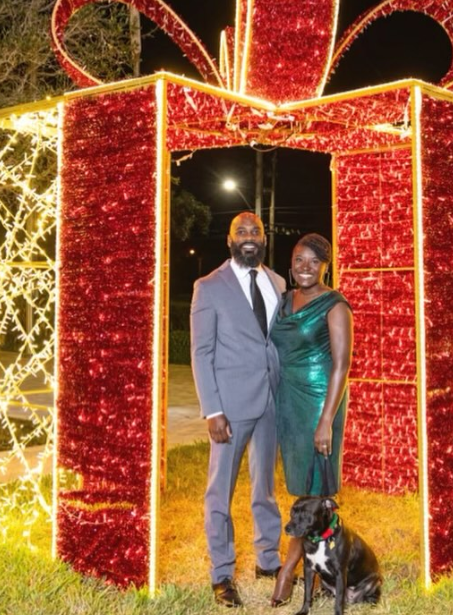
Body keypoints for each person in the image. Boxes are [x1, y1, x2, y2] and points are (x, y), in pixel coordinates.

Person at [190, 211, 286, 608]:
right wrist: (212, 410)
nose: (249, 237)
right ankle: (222, 573)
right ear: (229, 240)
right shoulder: (208, 286)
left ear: (264, 238)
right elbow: (201, 352)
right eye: (241, 231)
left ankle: (268, 560)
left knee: (265, 487)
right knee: (220, 492)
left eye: (256, 231)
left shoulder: (277, 282)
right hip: (229, 407)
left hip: (270, 403)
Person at [269, 233, 353, 607]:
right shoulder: (285, 300)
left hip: (321, 400)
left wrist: (325, 422)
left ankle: (291, 570)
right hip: (289, 400)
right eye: (299, 260)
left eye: (313, 261)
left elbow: (342, 364)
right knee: (300, 486)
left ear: (325, 266)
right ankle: (312, 567)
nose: (305, 267)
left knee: (315, 492)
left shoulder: (335, 305)